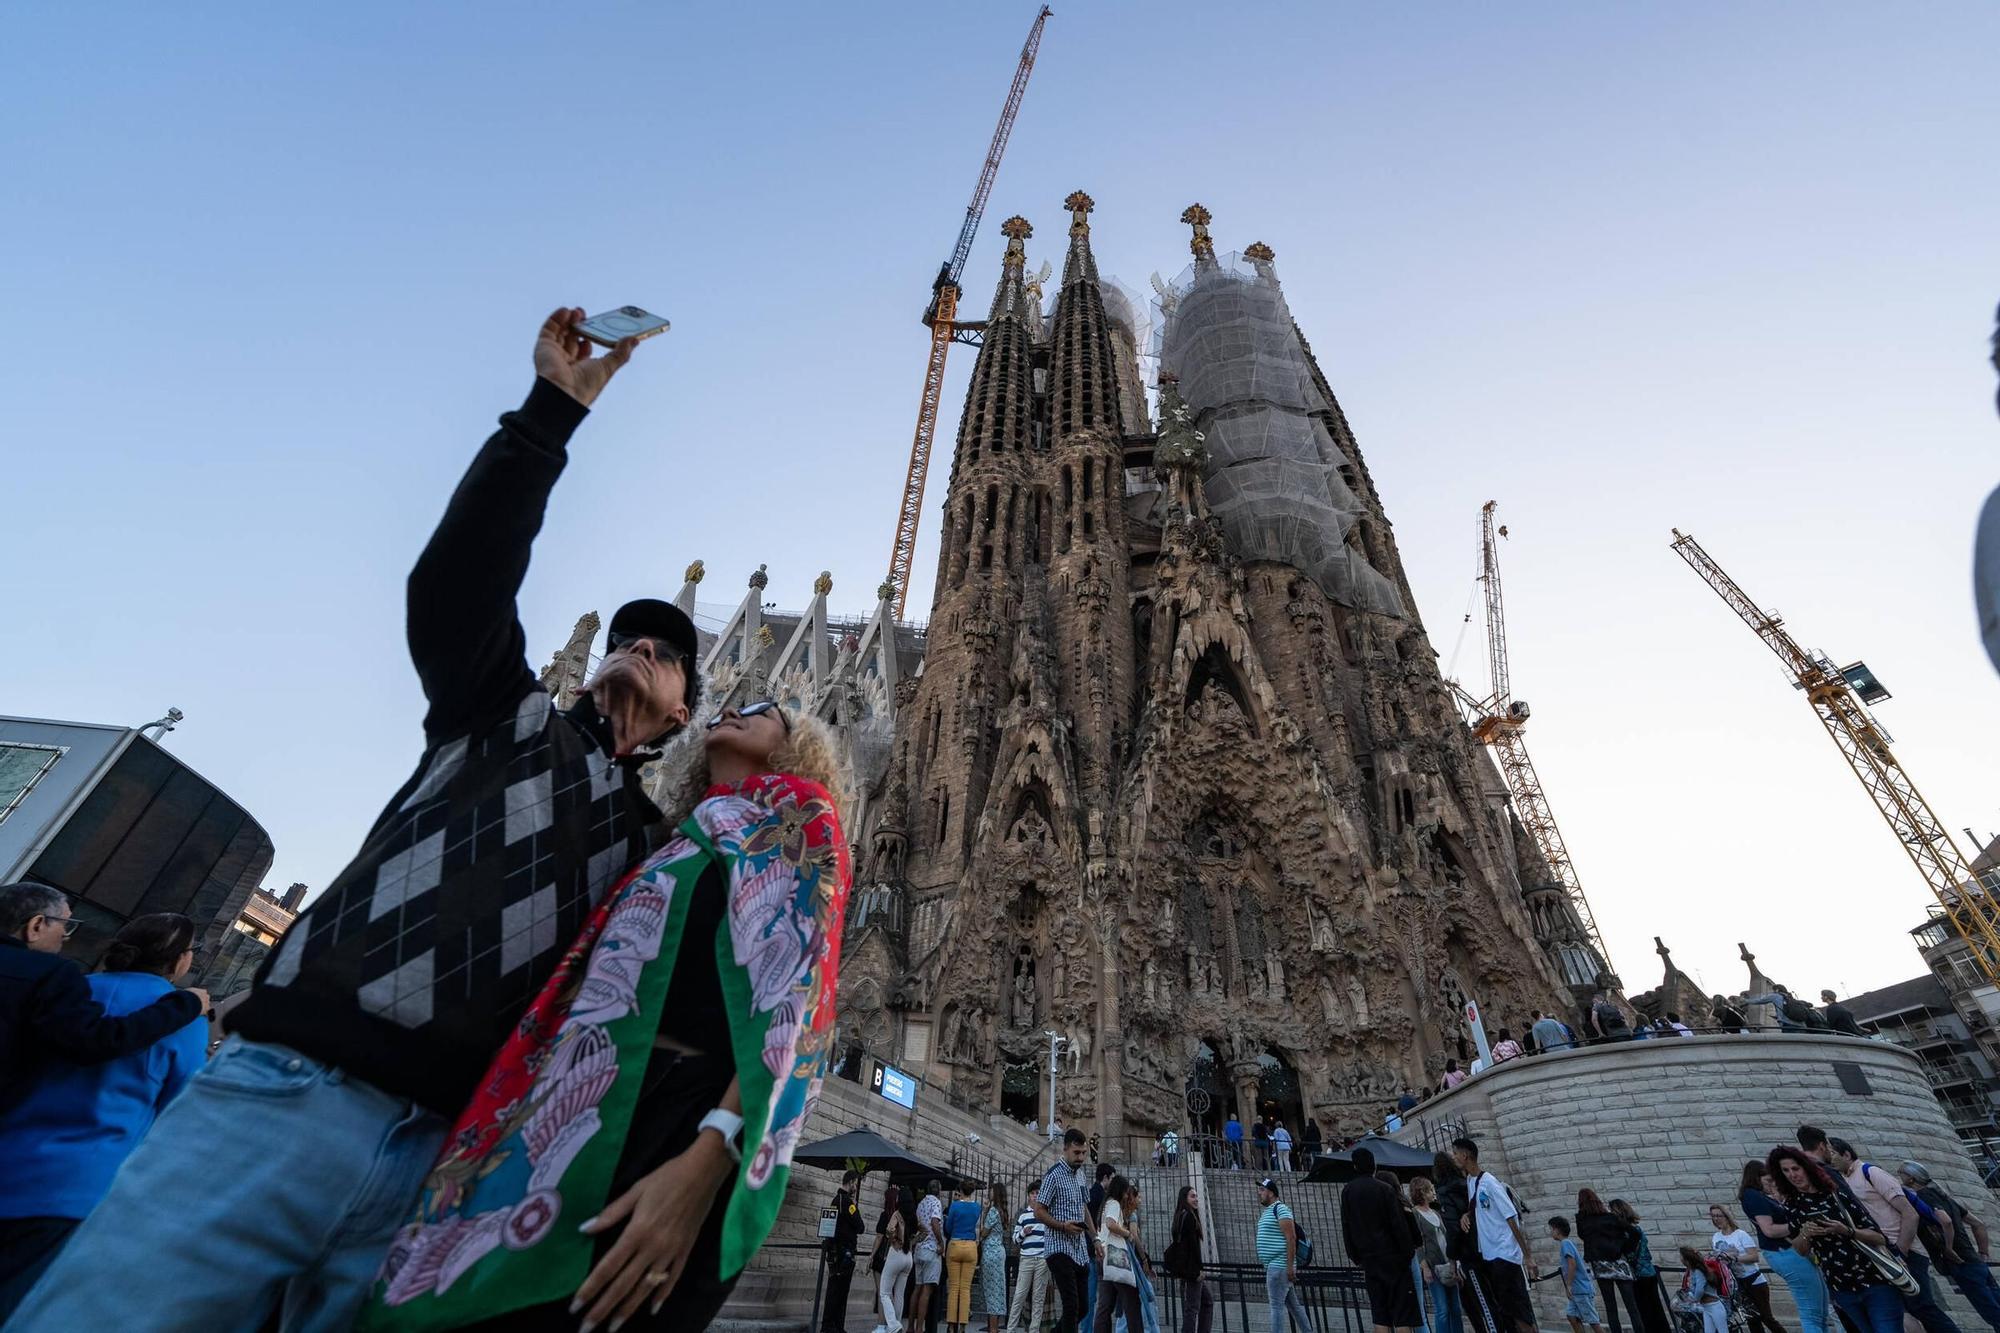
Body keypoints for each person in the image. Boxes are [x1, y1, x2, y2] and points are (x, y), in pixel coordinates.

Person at [10, 312, 700, 1332]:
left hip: (441, 1167)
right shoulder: (498, 712)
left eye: (668, 650)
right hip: (292, 1092)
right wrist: (551, 413)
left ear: (684, 712)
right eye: (628, 633)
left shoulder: (652, 849)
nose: (641, 644)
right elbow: (459, 578)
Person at [360, 693, 851, 1332]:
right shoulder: (677, 838)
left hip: (685, 1124)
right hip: (582, 1103)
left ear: (796, 746)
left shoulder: (800, 822)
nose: (734, 709)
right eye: (726, 701)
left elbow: (800, 1000)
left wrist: (706, 1161)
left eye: (762, 708)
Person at [0, 911, 208, 1320]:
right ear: (180, 960)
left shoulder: (69, 990)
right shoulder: (183, 1020)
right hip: (79, 1186)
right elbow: (180, 1112)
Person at [0, 884, 204, 1092]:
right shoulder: (51, 976)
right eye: (66, 924)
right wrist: (188, 1004)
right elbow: (93, 1042)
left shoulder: (83, 982)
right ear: (36, 925)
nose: (67, 935)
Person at [1826, 1135, 1963, 1333]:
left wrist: (1900, 1251)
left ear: (1846, 1154)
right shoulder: (1846, 1180)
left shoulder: (1870, 1172)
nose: (1830, 1159)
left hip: (1905, 1253)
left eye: (1833, 1154)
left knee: (1922, 1307)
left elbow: (1910, 1213)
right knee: (1903, 1310)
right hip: (1885, 1253)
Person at [1767, 1145, 1901, 1333]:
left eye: (1795, 1169)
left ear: (1806, 1167)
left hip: (1874, 1278)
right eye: (1786, 1171)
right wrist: (1805, 1233)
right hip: (1840, 1285)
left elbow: (1879, 1237)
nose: (1792, 1175)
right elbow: (1801, 1250)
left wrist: (1846, 1230)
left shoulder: (1835, 1194)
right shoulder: (1793, 1206)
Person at [1900, 1160, 2000, 1331]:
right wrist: (1983, 1253)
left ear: (1911, 1178)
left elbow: (1945, 1221)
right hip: (1974, 1261)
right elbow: (1978, 1224)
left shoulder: (1925, 1196)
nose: (1899, 1176)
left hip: (1961, 1263)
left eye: (1901, 1173)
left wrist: (1948, 1248)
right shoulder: (1944, 1196)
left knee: (1992, 1313)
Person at [1451, 1137, 1536, 1333]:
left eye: (1455, 1153)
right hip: (1491, 1256)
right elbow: (1476, 1206)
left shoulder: (1490, 1183)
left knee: (1519, 1313)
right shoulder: (1472, 1180)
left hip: (1505, 1254)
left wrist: (1528, 1256)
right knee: (1507, 1311)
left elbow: (1510, 1218)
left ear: (1466, 1156)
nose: (1453, 1157)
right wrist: (1466, 1214)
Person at [1739, 1159, 1828, 1333]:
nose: (1771, 1184)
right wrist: (1799, 1224)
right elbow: (1769, 1230)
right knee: (1811, 1310)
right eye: (1768, 1180)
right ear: (1756, 1178)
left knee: (1820, 1308)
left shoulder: (1760, 1196)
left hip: (1792, 1252)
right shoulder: (1753, 1196)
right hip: (1785, 1252)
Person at [1342, 1147, 1419, 1333]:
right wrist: (1407, 1253)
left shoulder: (1348, 1191)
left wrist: (1355, 1257)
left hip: (1369, 1259)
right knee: (1402, 1315)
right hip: (1393, 1257)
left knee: (1380, 1315)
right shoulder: (1384, 1189)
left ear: (1354, 1166)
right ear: (1374, 1166)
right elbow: (1397, 1224)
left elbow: (1346, 1226)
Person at [1036, 1128, 1096, 1333]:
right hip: (1058, 1247)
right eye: (1076, 1153)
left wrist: (1095, 1239)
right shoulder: (1053, 1175)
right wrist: (1062, 1226)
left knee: (1083, 1308)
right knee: (1071, 1305)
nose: (1081, 1157)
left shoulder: (1081, 1175)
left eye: (1084, 1153)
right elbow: (1039, 1210)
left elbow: (1084, 1207)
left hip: (1079, 1250)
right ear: (1065, 1149)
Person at [1576, 1189, 1643, 1333]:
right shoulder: (1611, 1218)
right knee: (1632, 1307)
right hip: (1619, 1263)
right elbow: (1635, 1233)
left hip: (1600, 1265)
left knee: (1610, 1307)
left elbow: (1582, 1236)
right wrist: (1624, 1248)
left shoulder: (1582, 1220)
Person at [1710, 1204, 1784, 1333]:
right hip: (1737, 1283)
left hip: (1754, 1281)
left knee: (1766, 1317)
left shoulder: (1740, 1234)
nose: (1716, 1219)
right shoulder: (1716, 1237)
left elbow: (1754, 1257)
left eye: (1719, 1215)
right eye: (1713, 1216)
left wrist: (1734, 1258)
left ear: (1727, 1217)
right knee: (1751, 1318)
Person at [1256, 1178, 1312, 1333]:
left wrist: (1289, 1266)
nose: (1259, 1193)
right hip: (1275, 1266)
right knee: (1294, 1307)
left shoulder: (1281, 1209)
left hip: (1279, 1265)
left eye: (1262, 1190)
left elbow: (1291, 1237)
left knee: (1276, 1306)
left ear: (1271, 1192)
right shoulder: (1270, 1210)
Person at [1091, 1176, 1145, 1333]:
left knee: (1104, 1304)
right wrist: (1127, 1233)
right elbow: (1111, 1224)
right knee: (1132, 1301)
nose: (1128, 1196)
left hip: (1101, 1255)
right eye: (1126, 1192)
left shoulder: (1104, 1205)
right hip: (1114, 1256)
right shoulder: (1114, 1203)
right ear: (1121, 1191)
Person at [1410, 1176, 1462, 1333]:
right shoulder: (1415, 1214)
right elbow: (1418, 1243)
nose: (1434, 1193)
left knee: (1455, 1308)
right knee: (1442, 1309)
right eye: (1430, 1190)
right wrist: (1424, 1267)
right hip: (1432, 1265)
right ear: (1422, 1192)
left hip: (1447, 1263)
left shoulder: (1436, 1212)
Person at [1608, 1200, 1669, 1333]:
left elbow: (1628, 1253)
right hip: (1649, 1273)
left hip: (1638, 1275)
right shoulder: (1636, 1228)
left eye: (1612, 1211)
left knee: (1644, 1312)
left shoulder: (1627, 1232)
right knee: (1656, 1310)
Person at [1167, 1185, 1213, 1333]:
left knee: (1206, 1302)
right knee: (1192, 1308)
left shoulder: (1180, 1216)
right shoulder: (1189, 1218)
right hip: (1192, 1269)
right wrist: (1199, 1269)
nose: (1196, 1199)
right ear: (1185, 1199)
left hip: (1185, 1267)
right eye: (1192, 1196)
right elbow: (1193, 1247)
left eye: (1196, 1196)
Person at [825, 1170, 865, 1333]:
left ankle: (828, 1325)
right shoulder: (848, 1203)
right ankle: (836, 1326)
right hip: (845, 1253)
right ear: (850, 1182)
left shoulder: (835, 1201)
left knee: (833, 1289)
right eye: (855, 1183)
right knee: (841, 1292)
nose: (856, 1186)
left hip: (834, 1253)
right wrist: (854, 1206)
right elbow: (860, 1227)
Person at [1551, 1216, 1603, 1333]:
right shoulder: (1568, 1243)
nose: (1551, 1232)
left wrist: (1568, 1286)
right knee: (1571, 1316)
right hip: (1577, 1291)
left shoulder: (1565, 1243)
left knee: (1593, 1321)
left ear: (1557, 1230)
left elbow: (1572, 1264)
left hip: (1581, 1290)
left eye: (1552, 1229)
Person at [1010, 1192, 1052, 1333]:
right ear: (1028, 1195)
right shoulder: (1023, 1216)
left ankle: (1034, 1330)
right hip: (1026, 1258)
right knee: (1019, 1296)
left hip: (1042, 1259)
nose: (1035, 1196)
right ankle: (1011, 1329)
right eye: (1033, 1193)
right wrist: (1023, 1232)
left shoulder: (1046, 1215)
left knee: (1038, 1298)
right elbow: (1015, 1239)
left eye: (1038, 1193)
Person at [945, 1183, 982, 1332]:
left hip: (955, 1243)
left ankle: (951, 1324)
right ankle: (963, 1325)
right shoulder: (977, 1207)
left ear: (960, 1191)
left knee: (954, 1287)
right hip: (971, 1246)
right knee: (965, 1288)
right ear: (972, 1192)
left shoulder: (954, 1206)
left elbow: (948, 1227)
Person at [974, 1183, 1009, 1333]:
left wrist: (985, 1210)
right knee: (995, 1290)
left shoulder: (994, 1211)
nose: (989, 1193)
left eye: (991, 1191)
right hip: (998, 1252)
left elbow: (983, 1232)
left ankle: (993, 1328)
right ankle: (992, 1327)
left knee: (992, 1292)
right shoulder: (1001, 1211)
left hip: (991, 1253)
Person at [879, 1189, 916, 1333]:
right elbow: (924, 1231)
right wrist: (913, 1241)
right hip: (909, 1256)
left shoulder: (897, 1213)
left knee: (884, 1292)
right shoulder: (914, 1215)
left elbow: (889, 1229)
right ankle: (897, 1323)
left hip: (896, 1253)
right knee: (899, 1294)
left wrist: (893, 1240)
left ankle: (894, 1325)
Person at [915, 1180, 948, 1333]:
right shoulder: (936, 1203)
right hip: (931, 1248)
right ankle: (920, 1328)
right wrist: (941, 1242)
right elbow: (935, 1222)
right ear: (939, 1191)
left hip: (919, 1248)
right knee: (927, 1291)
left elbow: (919, 1224)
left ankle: (911, 1327)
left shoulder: (921, 1203)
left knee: (917, 1288)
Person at [1673, 1246, 1730, 1333]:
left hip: (1714, 1306)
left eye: (1681, 1257)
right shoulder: (1692, 1271)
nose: (1680, 1259)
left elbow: (1700, 1289)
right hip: (1706, 1308)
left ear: (1687, 1260)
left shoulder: (1698, 1271)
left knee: (1723, 1331)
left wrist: (1693, 1301)